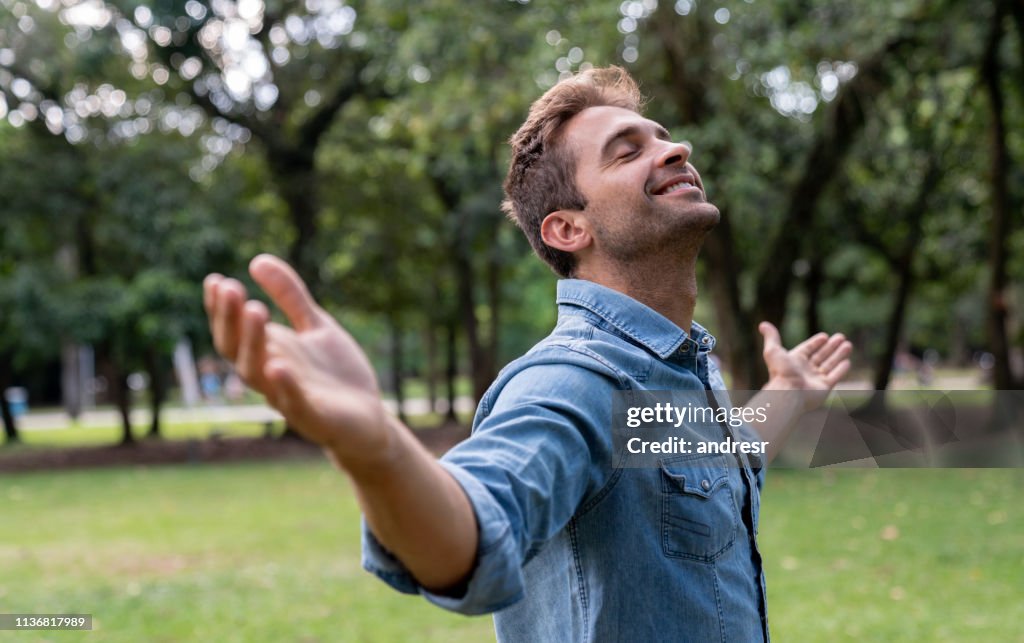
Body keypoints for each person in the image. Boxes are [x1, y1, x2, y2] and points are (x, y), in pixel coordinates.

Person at [203, 67, 852, 642]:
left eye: (663, 136)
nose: (674, 148)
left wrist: (784, 398)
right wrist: (376, 449)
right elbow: (473, 531)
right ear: (570, 227)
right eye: (628, 151)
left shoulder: (678, 367)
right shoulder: (573, 384)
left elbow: (702, 463)